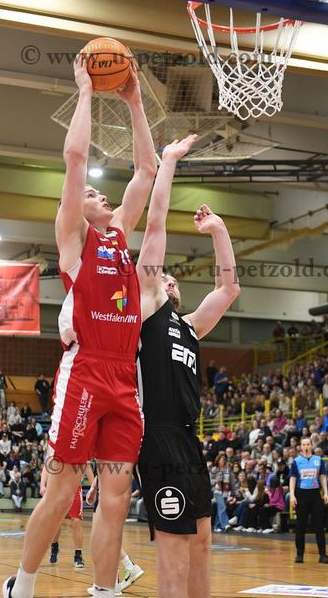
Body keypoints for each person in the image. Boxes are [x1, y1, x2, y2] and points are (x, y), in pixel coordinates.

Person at [2, 53, 156, 598]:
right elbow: (74, 158)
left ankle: (105, 590)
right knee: (62, 487)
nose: (99, 194)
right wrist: (86, 91)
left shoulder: (121, 235)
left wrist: (135, 102)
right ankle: (22, 585)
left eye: (100, 192)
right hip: (86, 370)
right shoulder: (74, 240)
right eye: (91, 193)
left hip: (124, 376)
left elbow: (146, 172)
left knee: (116, 498)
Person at [136, 135, 240, 598]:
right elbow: (155, 224)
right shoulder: (149, 311)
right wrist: (170, 161)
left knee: (201, 543)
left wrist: (219, 230)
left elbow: (228, 290)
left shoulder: (189, 326)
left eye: (175, 277)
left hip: (189, 441)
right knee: (175, 552)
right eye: (165, 275)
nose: (170, 278)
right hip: (157, 438)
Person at [86, 474, 145, 596]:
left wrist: (94, 486)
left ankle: (112, 582)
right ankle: (125, 571)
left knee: (102, 536)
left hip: (110, 489)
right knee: (106, 535)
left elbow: (109, 466)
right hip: (112, 488)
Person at [40, 462, 95, 569]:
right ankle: (54, 546)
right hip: (57, 489)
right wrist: (42, 485)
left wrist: (93, 487)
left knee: (76, 520)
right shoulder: (56, 452)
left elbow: (87, 466)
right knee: (56, 522)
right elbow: (47, 466)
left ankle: (78, 556)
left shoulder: (81, 452)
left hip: (74, 488)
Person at [289, 437, 328, 564]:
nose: (306, 446)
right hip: (301, 494)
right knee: (300, 526)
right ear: (301, 447)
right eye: (304, 444)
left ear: (311, 446)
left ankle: (323, 555)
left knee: (319, 525)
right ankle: (299, 554)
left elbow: (322, 477)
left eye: (308, 444)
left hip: (315, 494)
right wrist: (292, 495)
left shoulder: (318, 460)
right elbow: (293, 479)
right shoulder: (296, 461)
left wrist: (326, 493)